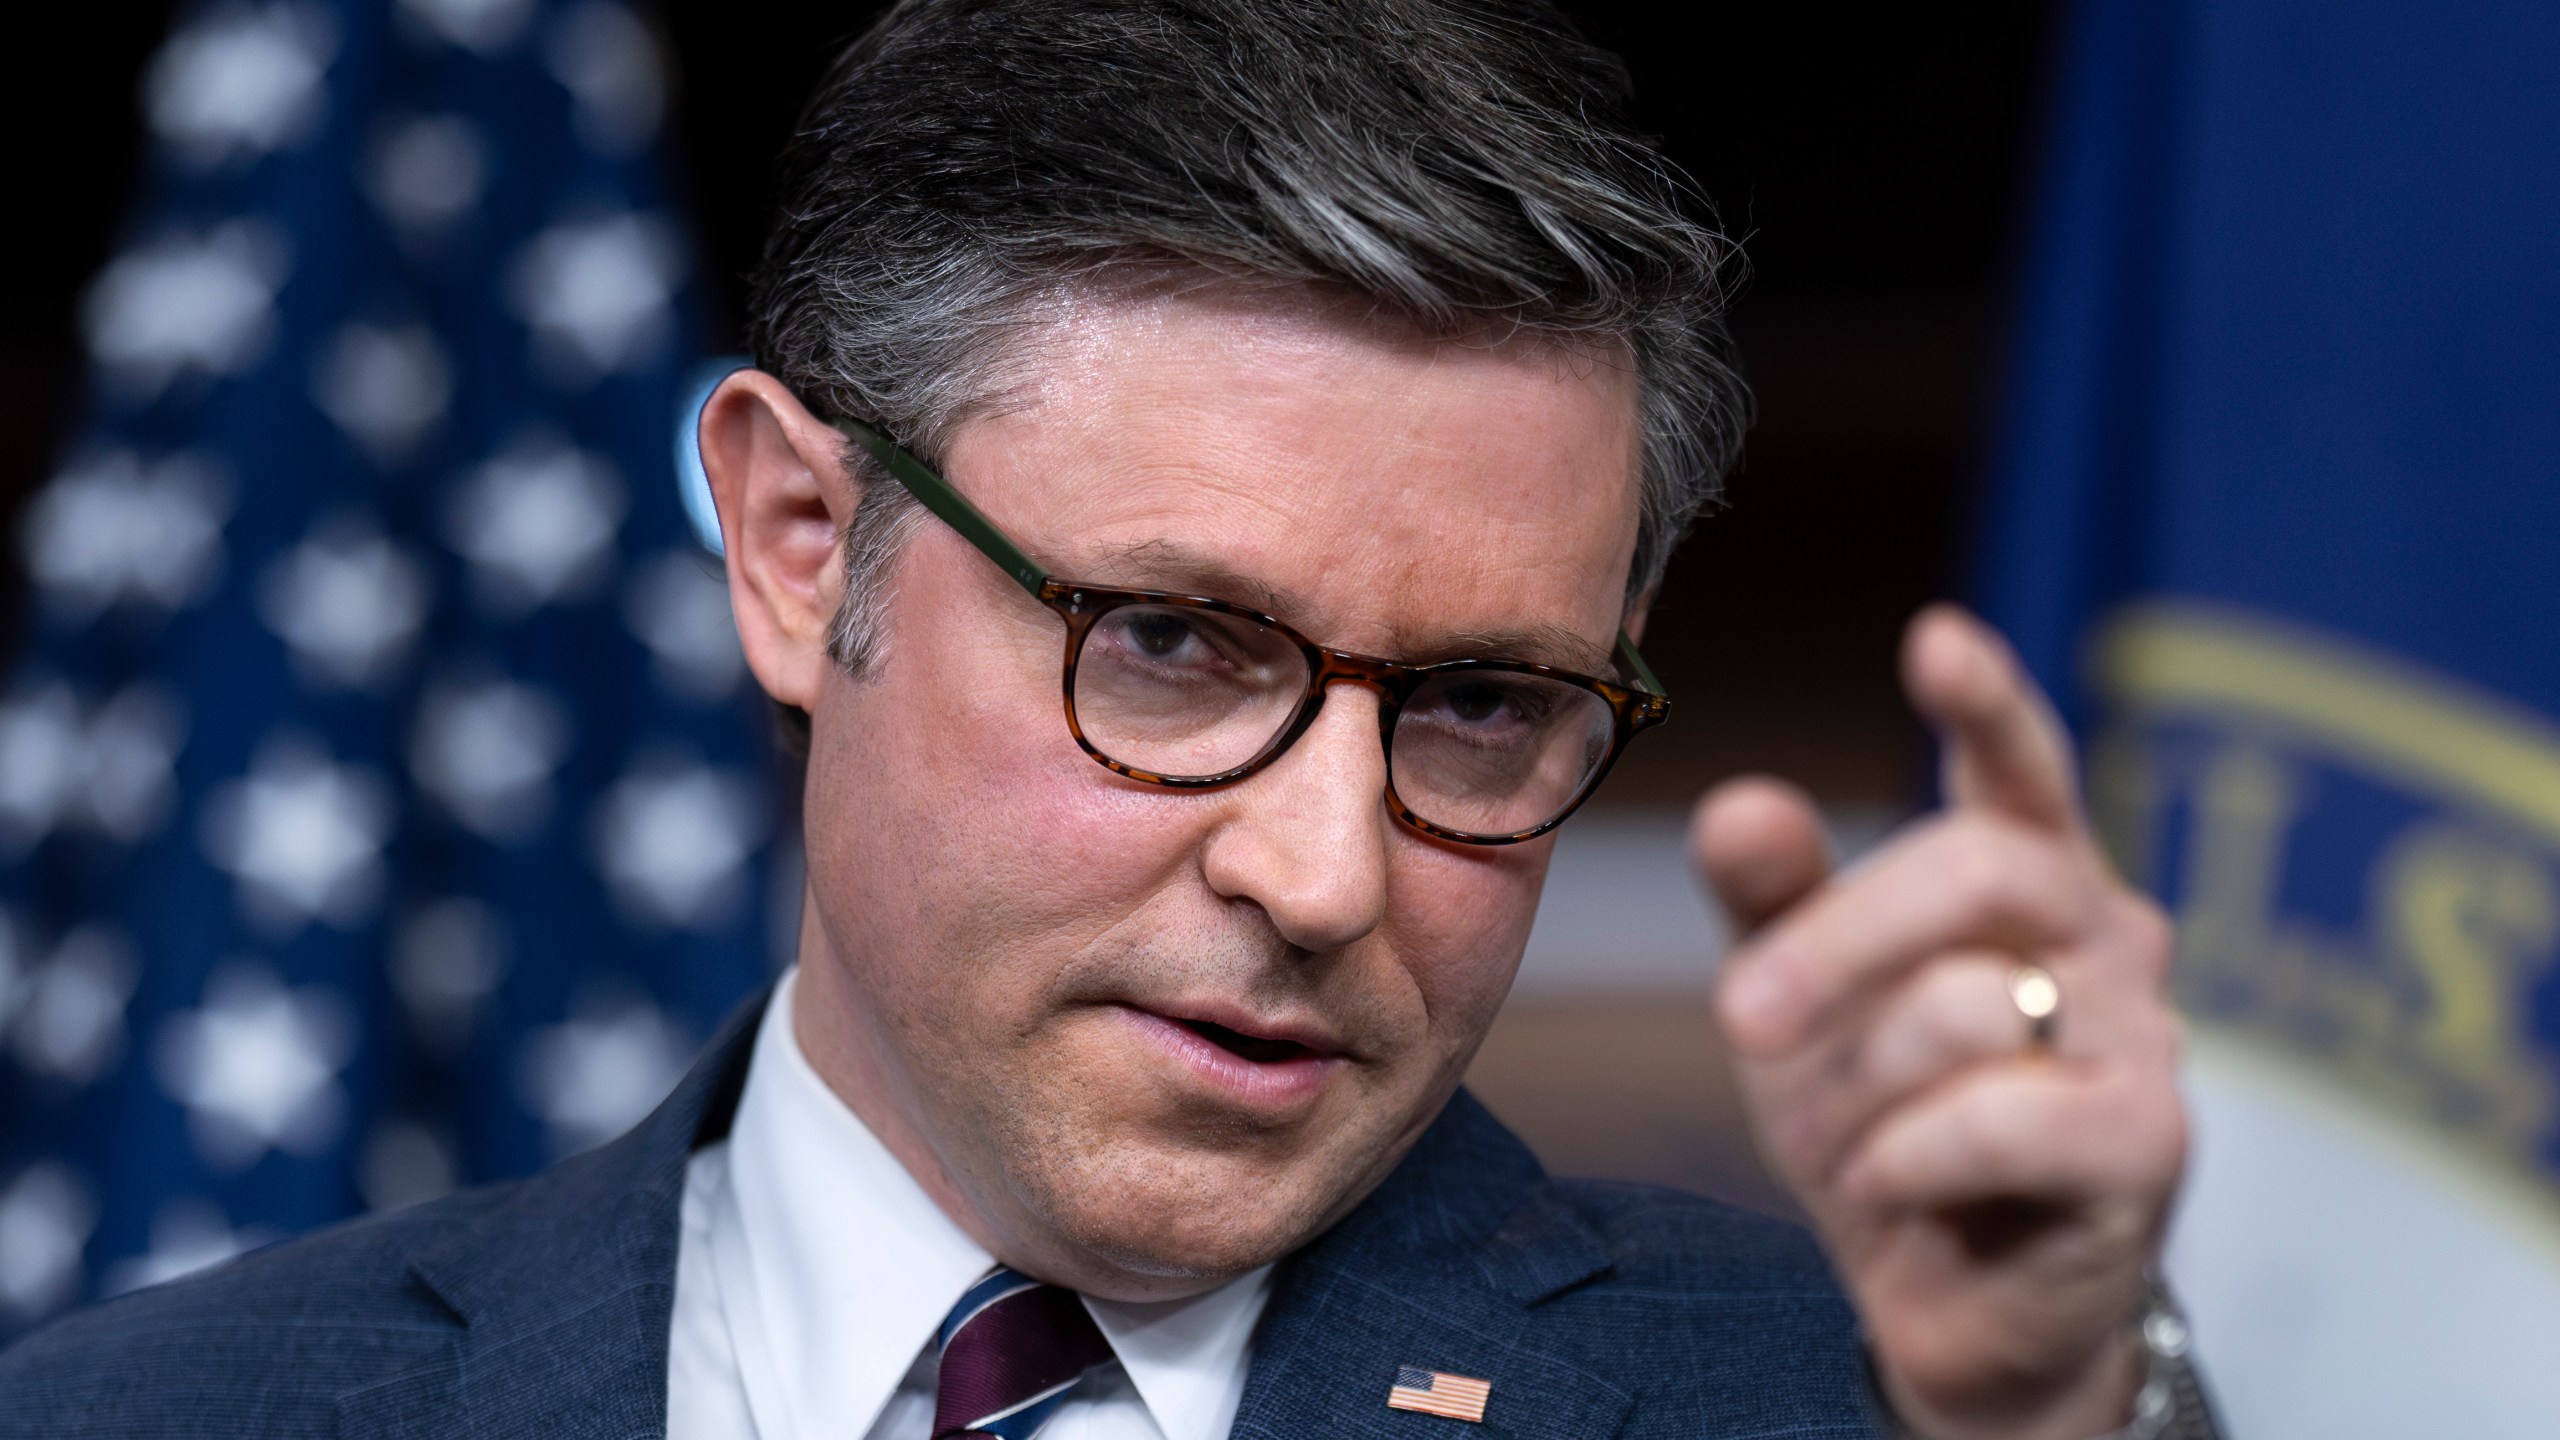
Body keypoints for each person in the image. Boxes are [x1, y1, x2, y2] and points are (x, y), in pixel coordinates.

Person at [0, 2, 2214, 1437]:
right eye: (1168, 644)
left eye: (1473, 705)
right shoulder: (139, 1420)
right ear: (795, 544)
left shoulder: (1881, 1408)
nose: (1326, 873)